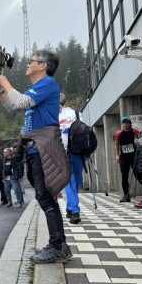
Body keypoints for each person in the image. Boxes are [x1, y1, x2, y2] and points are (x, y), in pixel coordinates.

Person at [0, 50, 71, 264]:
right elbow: (13, 104)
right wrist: (1, 91)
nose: (28, 64)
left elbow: (22, 101)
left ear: (43, 65)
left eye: (32, 61)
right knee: (44, 196)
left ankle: (58, 246)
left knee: (45, 196)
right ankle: (58, 244)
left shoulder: (48, 84)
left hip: (42, 149)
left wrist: (5, 81)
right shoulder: (37, 88)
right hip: (35, 150)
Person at [58, 93, 84, 224]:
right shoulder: (78, 114)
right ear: (66, 100)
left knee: (72, 181)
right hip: (78, 152)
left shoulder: (55, 116)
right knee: (73, 180)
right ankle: (73, 210)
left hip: (64, 151)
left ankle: (71, 209)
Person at [115, 117, 140, 202]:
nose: (125, 124)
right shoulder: (118, 133)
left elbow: (139, 142)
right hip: (124, 157)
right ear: (122, 124)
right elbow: (117, 145)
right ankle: (126, 195)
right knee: (124, 176)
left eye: (127, 123)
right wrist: (117, 155)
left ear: (130, 123)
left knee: (138, 174)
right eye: (124, 123)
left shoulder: (134, 131)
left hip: (134, 156)